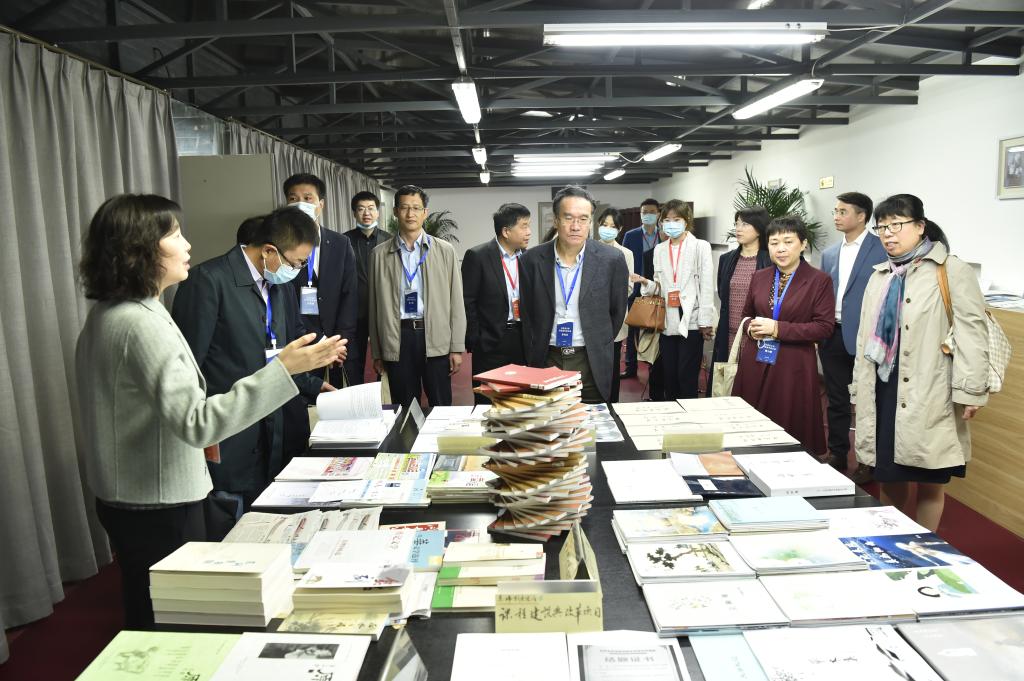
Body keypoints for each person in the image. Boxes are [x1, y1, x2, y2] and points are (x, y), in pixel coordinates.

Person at [76, 194, 344, 628]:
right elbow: (197, 422)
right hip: (157, 499)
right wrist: (283, 371)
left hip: (138, 491)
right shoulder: (141, 322)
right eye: (175, 235)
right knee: (170, 619)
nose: (187, 245)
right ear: (139, 248)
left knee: (153, 608)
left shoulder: (119, 312)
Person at [172, 206, 341, 507]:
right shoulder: (208, 281)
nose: (298, 269)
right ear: (268, 251)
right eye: (297, 262)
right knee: (231, 512)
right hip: (231, 429)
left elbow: (284, 351)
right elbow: (188, 370)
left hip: (274, 419)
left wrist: (313, 383)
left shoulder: (279, 284)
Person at [851, 194, 988, 531]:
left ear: (920, 226)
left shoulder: (951, 270)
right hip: (884, 387)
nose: (888, 234)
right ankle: (890, 540)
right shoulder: (880, 275)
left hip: (930, 388)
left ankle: (924, 543)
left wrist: (971, 390)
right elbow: (863, 340)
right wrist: (858, 388)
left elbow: (972, 333)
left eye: (896, 225)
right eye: (882, 227)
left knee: (930, 477)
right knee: (889, 475)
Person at [732, 215, 835, 455]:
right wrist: (750, 328)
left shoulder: (819, 280)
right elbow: (746, 315)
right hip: (756, 359)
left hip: (793, 364)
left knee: (788, 426)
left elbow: (824, 327)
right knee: (750, 428)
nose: (780, 249)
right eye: (774, 242)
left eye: (788, 242)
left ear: (803, 244)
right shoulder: (760, 276)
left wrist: (777, 329)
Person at [519, 185, 628, 403]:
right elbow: (528, 313)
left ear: (590, 221)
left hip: (591, 359)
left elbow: (616, 313)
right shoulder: (531, 260)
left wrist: (598, 340)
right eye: (568, 218)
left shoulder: (611, 260)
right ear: (556, 220)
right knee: (548, 420)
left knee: (593, 420)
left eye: (583, 219)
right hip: (547, 358)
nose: (576, 226)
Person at [368, 185, 466, 408]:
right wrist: (377, 351)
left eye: (416, 208)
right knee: (405, 407)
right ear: (395, 212)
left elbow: (456, 301)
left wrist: (456, 347)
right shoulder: (379, 254)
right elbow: (374, 307)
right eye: (404, 208)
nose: (410, 214)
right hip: (398, 338)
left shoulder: (445, 250)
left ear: (425, 213)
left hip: (436, 337)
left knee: (440, 405)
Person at [819, 192, 888, 483]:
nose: (836, 216)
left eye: (843, 211)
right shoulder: (829, 253)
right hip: (833, 334)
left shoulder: (881, 248)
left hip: (867, 336)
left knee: (869, 401)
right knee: (836, 398)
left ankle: (867, 461)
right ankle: (837, 452)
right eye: (835, 211)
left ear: (862, 216)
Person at [629, 200, 714, 399]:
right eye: (667, 220)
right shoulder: (660, 250)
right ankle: (673, 411)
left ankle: (688, 414)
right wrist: (646, 283)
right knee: (670, 375)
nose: (671, 224)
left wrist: (705, 322)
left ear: (686, 221)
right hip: (667, 320)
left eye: (676, 219)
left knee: (687, 376)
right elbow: (659, 286)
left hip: (691, 319)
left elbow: (706, 286)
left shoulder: (700, 246)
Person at [283, 173, 358, 390]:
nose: (300, 204)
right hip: (299, 344)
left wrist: (338, 343)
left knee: (339, 398)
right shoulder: (280, 246)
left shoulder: (341, 243)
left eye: (308, 198)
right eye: (293, 199)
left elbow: (349, 295)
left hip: (338, 344)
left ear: (321, 204)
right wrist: (318, 342)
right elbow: (284, 300)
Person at [462, 203, 532, 403]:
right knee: (488, 400)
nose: (529, 232)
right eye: (524, 226)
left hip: (522, 340)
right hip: (491, 342)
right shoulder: (478, 256)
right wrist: (477, 338)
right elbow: (467, 300)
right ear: (506, 231)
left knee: (521, 400)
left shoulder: (528, 258)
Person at [709, 207, 772, 396]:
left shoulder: (771, 260)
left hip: (757, 335)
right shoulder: (726, 259)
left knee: (755, 387)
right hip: (729, 334)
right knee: (727, 385)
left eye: (745, 224)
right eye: (737, 224)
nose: (738, 228)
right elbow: (723, 293)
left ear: (759, 228)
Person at [341, 190, 391, 385]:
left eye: (371, 208)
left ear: (378, 212)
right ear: (354, 213)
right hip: (355, 311)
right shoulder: (343, 241)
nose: (366, 213)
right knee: (354, 361)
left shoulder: (390, 240)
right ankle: (356, 396)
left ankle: (385, 397)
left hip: (383, 310)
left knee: (387, 359)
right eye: (361, 209)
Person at [620, 198, 661, 378]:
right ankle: (630, 367)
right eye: (644, 212)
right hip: (636, 289)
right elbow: (624, 261)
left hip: (657, 289)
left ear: (658, 214)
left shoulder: (664, 235)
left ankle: (655, 368)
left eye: (652, 212)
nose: (648, 215)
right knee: (632, 330)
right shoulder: (631, 235)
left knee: (656, 329)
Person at [596, 207, 634, 402]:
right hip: (593, 317)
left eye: (612, 226)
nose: (608, 229)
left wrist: (606, 297)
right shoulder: (588, 249)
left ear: (619, 230)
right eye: (604, 225)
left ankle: (612, 404)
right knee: (594, 363)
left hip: (614, 318)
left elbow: (629, 287)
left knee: (612, 365)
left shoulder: (625, 253)